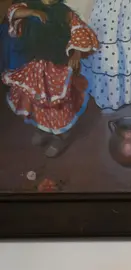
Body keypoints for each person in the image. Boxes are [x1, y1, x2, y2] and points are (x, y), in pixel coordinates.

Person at [2, 0, 99, 157]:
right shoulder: (30, 6)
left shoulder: (65, 13)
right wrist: (33, 12)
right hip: (35, 63)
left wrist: (76, 53)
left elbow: (80, 31)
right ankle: (42, 129)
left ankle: (60, 136)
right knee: (37, 99)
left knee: (57, 103)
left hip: (57, 66)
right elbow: (13, 12)